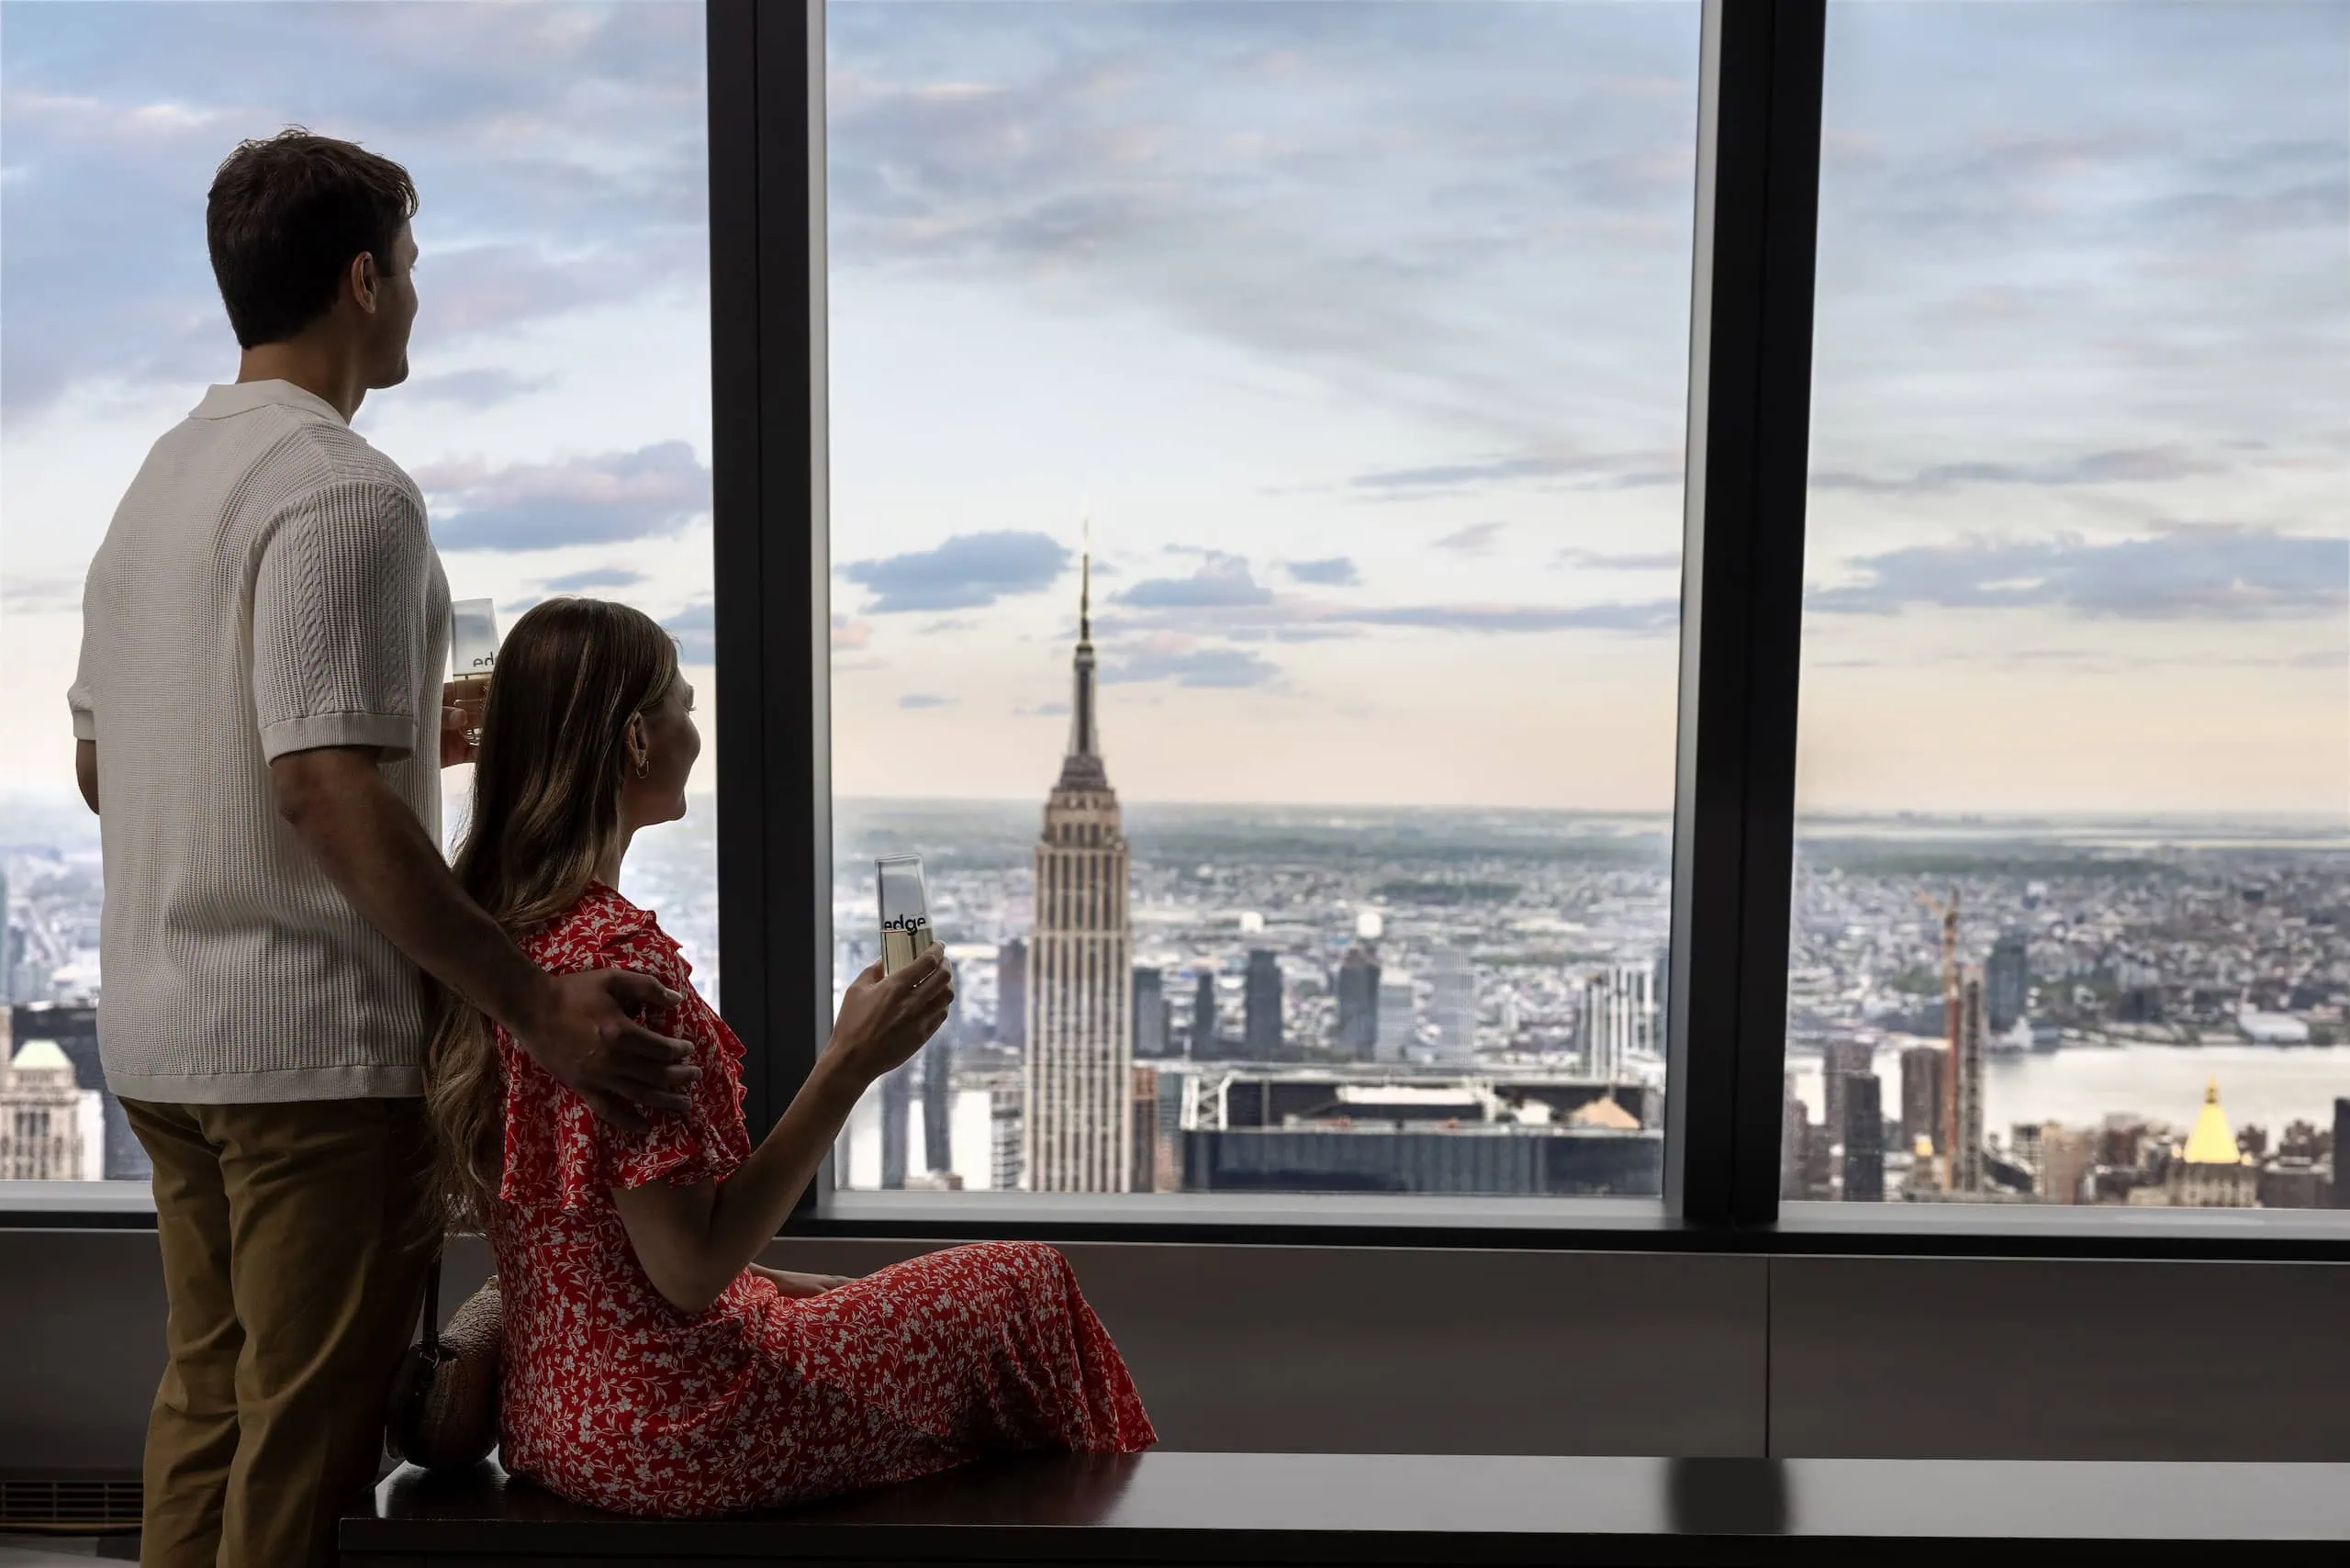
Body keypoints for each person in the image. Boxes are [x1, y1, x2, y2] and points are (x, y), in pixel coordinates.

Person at [67, 130, 699, 1568]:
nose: (416, 298)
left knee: (212, 1411)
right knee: (305, 1450)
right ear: (361, 279)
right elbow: (319, 790)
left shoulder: (154, 492)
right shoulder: (349, 491)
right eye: (410, 269)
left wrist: (407, 735)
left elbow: (115, 763)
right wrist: (532, 1001)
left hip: (166, 1045)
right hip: (308, 1056)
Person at [425, 598, 1157, 1517]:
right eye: (684, 707)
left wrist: (768, 1285)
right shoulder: (615, 959)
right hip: (675, 1423)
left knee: (924, 1305)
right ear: (637, 742)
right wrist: (848, 1061)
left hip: (557, 1413)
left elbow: (609, 1240)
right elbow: (689, 1271)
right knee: (1025, 1285)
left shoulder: (502, 944)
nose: (697, 733)